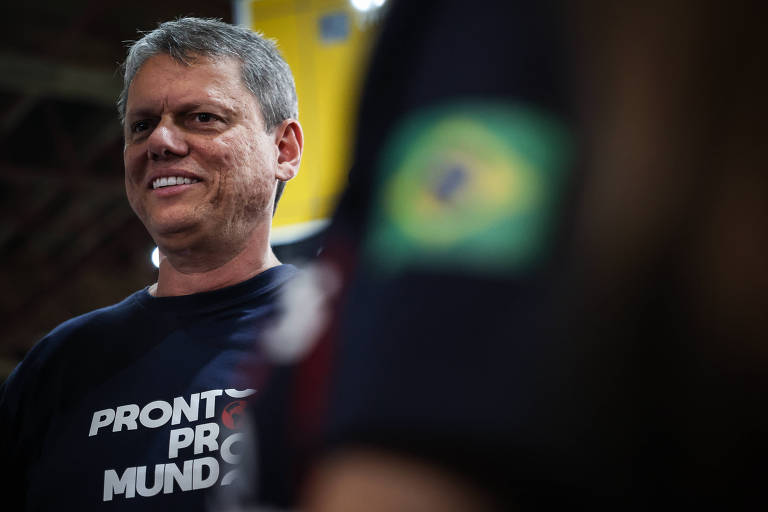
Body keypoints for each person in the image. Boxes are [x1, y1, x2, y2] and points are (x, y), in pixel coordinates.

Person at [0, 17, 303, 510]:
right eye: (141, 126)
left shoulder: (348, 336)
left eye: (202, 117)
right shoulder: (57, 366)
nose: (159, 143)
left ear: (284, 150)